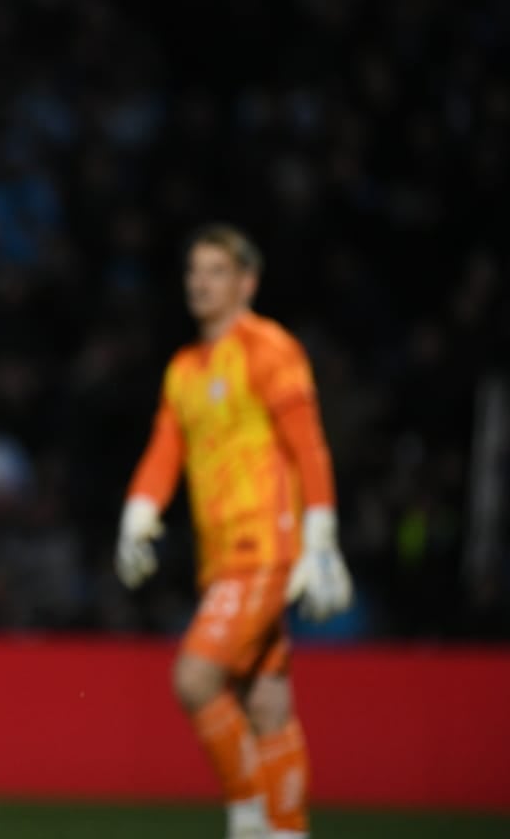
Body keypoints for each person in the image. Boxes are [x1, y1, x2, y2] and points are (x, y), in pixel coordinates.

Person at [114, 224, 354, 839]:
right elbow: (166, 452)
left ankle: (248, 818)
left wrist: (321, 537)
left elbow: (309, 447)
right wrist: (138, 515)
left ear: (247, 281)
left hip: (265, 547)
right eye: (194, 269)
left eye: (216, 270)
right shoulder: (185, 368)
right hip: (220, 556)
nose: (200, 281)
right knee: (267, 700)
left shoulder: (269, 348)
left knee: (195, 676)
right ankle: (288, 829)